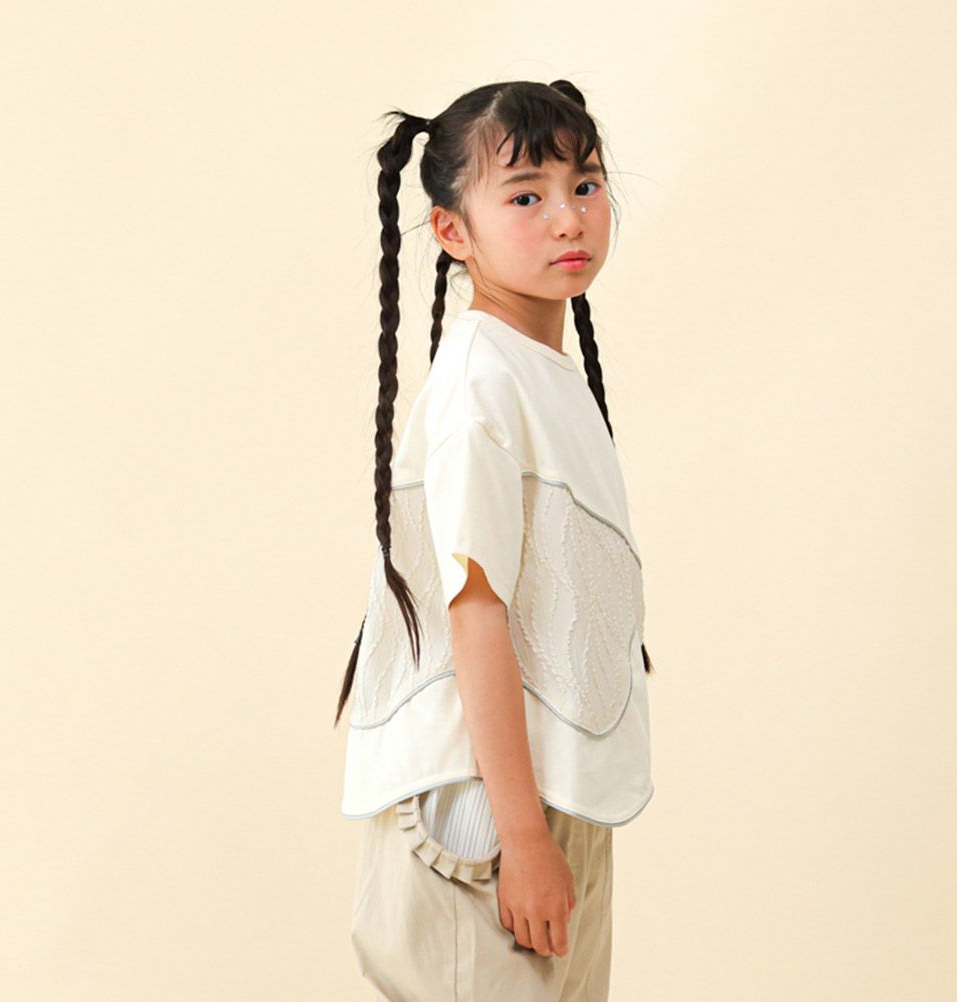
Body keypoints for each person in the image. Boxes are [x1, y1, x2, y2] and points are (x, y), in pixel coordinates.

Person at [334, 78, 656, 1001]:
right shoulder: (482, 383)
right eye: (525, 196)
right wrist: (520, 838)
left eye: (585, 185)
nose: (569, 218)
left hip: (543, 801)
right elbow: (476, 614)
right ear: (453, 231)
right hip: (484, 819)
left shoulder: (537, 370)